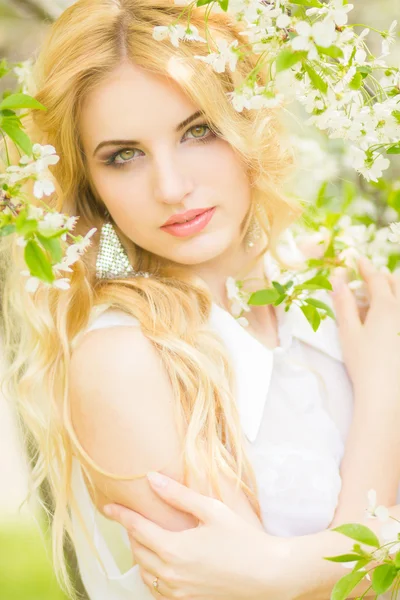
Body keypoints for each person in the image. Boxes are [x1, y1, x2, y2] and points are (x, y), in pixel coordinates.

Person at [2, 1, 400, 599]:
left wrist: (287, 568)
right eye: (123, 155)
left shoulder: (331, 287)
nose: (171, 187)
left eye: (197, 130)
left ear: (250, 119)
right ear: (90, 186)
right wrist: (385, 401)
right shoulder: (123, 361)